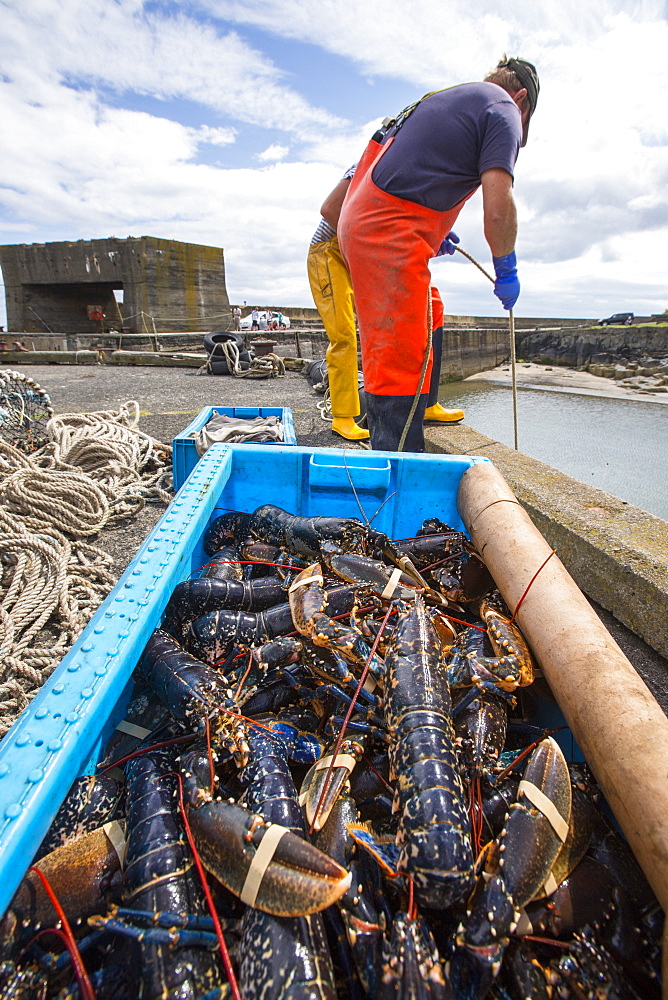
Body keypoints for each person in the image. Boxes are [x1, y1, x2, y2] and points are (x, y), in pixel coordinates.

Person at [338, 56, 539, 452]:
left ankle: (426, 405)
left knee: (430, 309)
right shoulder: (504, 108)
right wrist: (506, 266)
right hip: (387, 232)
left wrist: (433, 230)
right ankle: (397, 474)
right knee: (398, 360)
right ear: (523, 99)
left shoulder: (444, 100)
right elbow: (499, 208)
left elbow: (401, 175)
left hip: (364, 219)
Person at [307, 166, 370, 440]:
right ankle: (343, 417)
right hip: (329, 252)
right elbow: (330, 209)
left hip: (353, 255)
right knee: (343, 335)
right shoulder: (366, 165)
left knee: (376, 329)